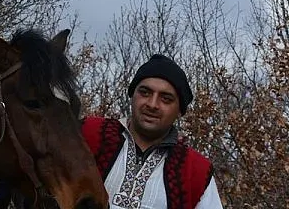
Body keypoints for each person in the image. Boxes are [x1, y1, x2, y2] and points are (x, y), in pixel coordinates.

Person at [81, 54, 224, 209]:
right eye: (145, 92)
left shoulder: (195, 171)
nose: (152, 104)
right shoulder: (87, 134)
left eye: (166, 99)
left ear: (179, 111)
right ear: (132, 95)